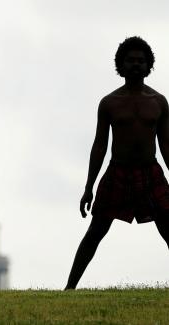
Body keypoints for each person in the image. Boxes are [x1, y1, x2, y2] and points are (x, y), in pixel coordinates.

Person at [64, 36, 169, 290]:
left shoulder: (159, 102)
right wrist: (89, 187)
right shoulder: (109, 103)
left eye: (140, 61)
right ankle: (70, 287)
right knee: (95, 232)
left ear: (148, 66)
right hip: (117, 173)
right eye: (130, 61)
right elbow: (99, 146)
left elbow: (166, 144)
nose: (135, 65)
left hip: (150, 172)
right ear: (120, 66)